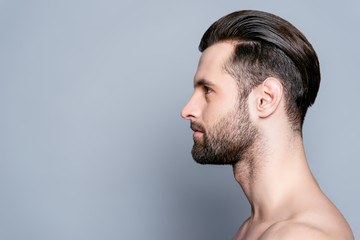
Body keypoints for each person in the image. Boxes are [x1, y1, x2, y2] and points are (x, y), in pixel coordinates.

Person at [181, 10, 354, 240]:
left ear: (265, 99)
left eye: (208, 90)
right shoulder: (253, 229)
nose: (187, 110)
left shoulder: (302, 235)